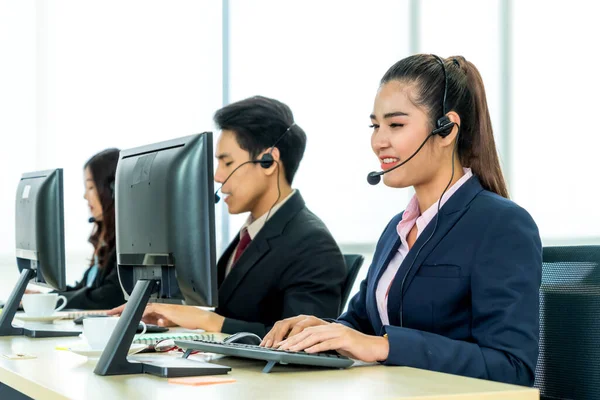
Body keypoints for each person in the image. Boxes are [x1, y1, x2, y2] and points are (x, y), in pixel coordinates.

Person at [261, 55, 542, 387]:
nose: (379, 141)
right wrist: (320, 329)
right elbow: (363, 324)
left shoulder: (502, 225)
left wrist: (384, 346)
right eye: (375, 126)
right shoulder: (398, 228)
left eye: (395, 125)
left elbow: (511, 367)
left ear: (447, 128)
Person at [109, 96, 346, 336]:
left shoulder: (312, 244)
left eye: (227, 162)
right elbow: (236, 314)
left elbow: (302, 342)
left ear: (268, 162)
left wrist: (207, 320)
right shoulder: (253, 233)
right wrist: (179, 317)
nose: (217, 176)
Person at [55, 148, 126, 310]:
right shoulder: (106, 239)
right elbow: (86, 290)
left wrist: (56, 300)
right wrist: (45, 298)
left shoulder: (128, 240)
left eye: (91, 187)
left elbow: (108, 297)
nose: (85, 196)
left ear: (114, 189)